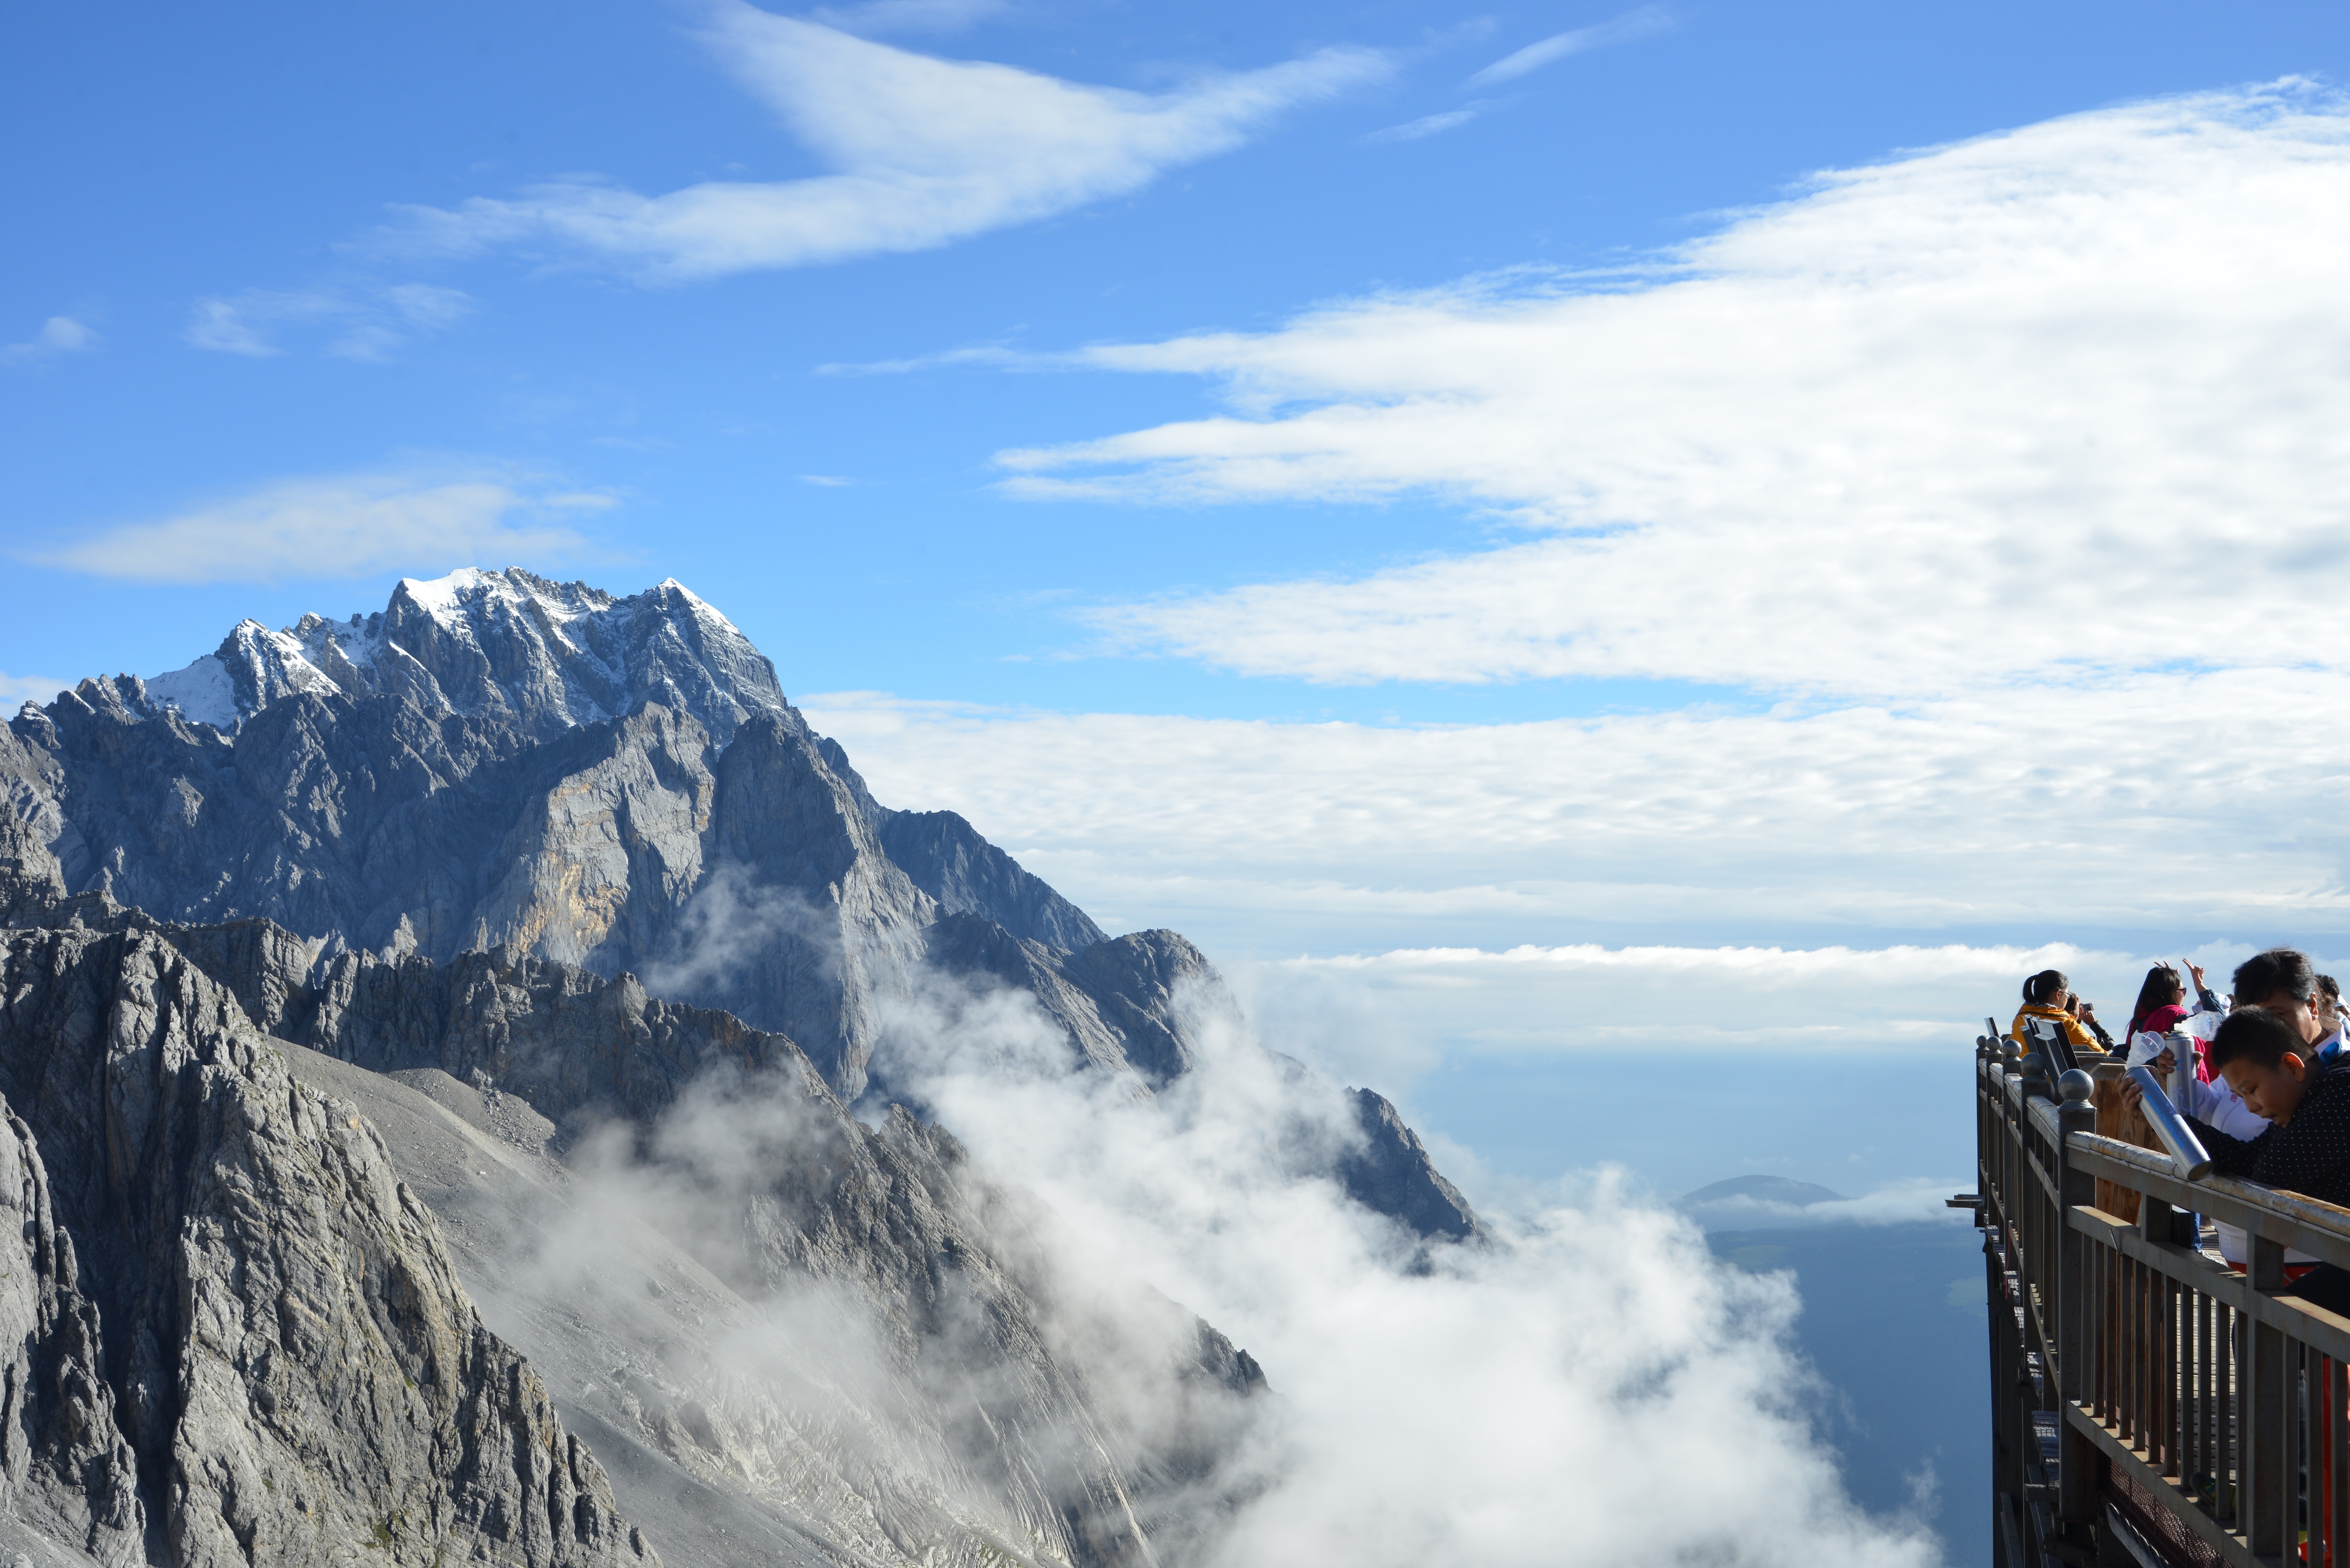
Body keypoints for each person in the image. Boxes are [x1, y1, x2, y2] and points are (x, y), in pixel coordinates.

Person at [2137, 1007, 2350, 1311]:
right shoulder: (2301, 1105)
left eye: (2252, 1091)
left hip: (2328, 1257)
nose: (2251, 1107)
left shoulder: (2341, 1089)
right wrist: (2160, 1115)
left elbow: (2270, 1173)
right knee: (2262, 1332)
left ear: (2292, 1065)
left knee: (2270, 1334)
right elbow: (2247, 1159)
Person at [2232, 948, 2334, 1059]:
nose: (2265, 1031)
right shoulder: (2247, 1067)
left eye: (2278, 1015)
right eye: (2252, 1021)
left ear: (2312, 1006)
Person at [2123, 962, 2223, 1057]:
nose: (2184, 995)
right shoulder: (2176, 1017)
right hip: (2177, 1073)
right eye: (2183, 990)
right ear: (2171, 992)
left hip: (2145, 1073)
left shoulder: (2139, 1018)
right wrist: (2200, 985)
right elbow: (2218, 1022)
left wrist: (2170, 979)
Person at [2012, 969, 2104, 1058]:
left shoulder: (2020, 1018)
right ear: (2058, 994)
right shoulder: (2067, 1023)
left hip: (2023, 1073)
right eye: (2067, 995)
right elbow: (2101, 1055)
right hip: (2056, 1074)